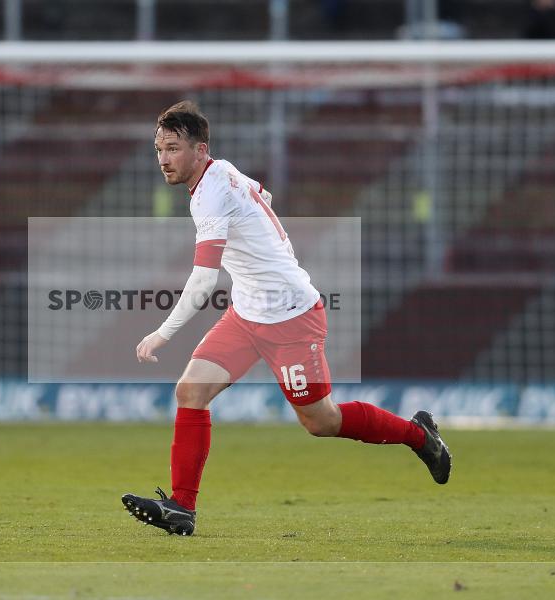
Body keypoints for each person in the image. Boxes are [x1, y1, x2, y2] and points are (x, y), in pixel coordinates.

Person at [121, 101, 451, 536]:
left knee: (321, 422)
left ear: (200, 150)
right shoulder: (221, 172)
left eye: (173, 148)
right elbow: (263, 195)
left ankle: (418, 436)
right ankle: (183, 508)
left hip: (292, 318)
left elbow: (203, 280)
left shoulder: (211, 193)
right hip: (247, 314)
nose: (163, 159)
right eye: (159, 149)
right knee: (191, 391)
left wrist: (162, 333)